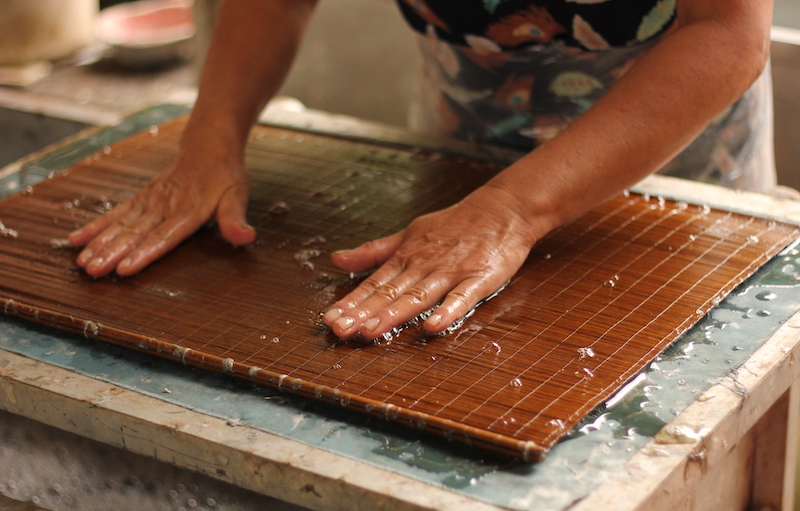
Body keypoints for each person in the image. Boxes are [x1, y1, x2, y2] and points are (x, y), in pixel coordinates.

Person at [68, 0, 775, 341]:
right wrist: (212, 135)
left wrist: (513, 209)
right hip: (462, 132)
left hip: (672, 158)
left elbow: (726, 28)